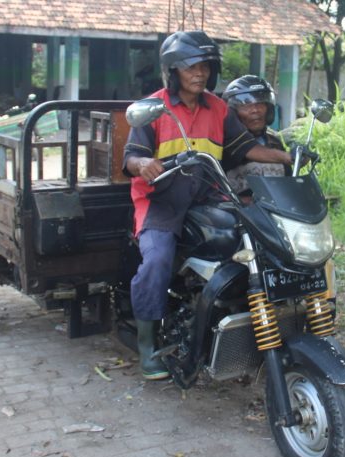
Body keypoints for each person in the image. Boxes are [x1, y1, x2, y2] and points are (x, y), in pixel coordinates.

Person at [123, 30, 292, 380]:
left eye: (204, 66)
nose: (198, 73)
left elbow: (245, 147)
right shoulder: (155, 107)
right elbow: (131, 159)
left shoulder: (217, 107)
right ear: (173, 71)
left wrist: (287, 155)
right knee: (156, 261)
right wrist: (144, 165)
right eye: (190, 67)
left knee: (258, 237)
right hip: (161, 200)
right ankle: (148, 347)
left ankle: (251, 320)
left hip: (210, 194)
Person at [222, 75, 288, 199]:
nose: (255, 110)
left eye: (260, 104)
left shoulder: (275, 143)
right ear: (232, 112)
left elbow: (289, 184)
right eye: (246, 105)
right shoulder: (226, 145)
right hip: (238, 213)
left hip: (277, 211)